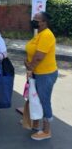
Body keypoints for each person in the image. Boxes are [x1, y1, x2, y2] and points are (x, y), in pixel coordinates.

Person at [25, 11, 58, 141]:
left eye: (37, 20)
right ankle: (36, 124)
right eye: (34, 19)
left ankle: (46, 130)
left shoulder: (47, 35)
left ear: (44, 22)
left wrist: (29, 68)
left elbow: (38, 57)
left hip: (45, 74)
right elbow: (32, 51)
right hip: (37, 73)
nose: (34, 21)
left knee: (44, 101)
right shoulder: (39, 33)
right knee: (35, 99)